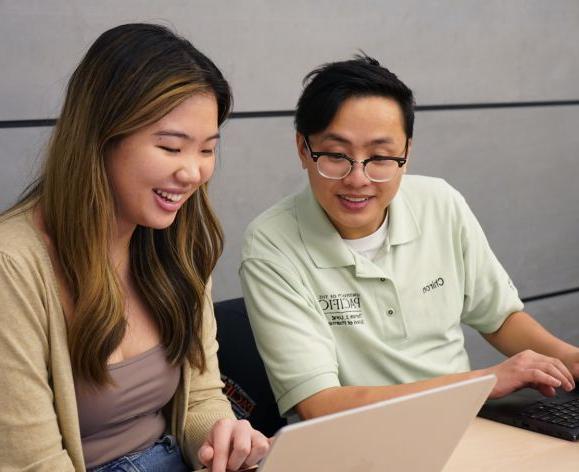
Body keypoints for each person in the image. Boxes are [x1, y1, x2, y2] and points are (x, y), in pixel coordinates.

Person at [239, 55, 579, 420]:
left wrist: (571, 359)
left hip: (465, 423)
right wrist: (481, 383)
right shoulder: (270, 244)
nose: (358, 179)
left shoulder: (440, 203)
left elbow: (499, 317)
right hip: (354, 442)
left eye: (381, 157)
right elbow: (320, 404)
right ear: (303, 149)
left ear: (407, 153)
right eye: (336, 155)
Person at [0, 24, 269, 471]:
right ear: (100, 138)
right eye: (170, 147)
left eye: (207, 149)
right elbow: (32, 462)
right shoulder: (13, 267)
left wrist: (222, 438)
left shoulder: (177, 242)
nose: (193, 173)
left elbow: (201, 395)